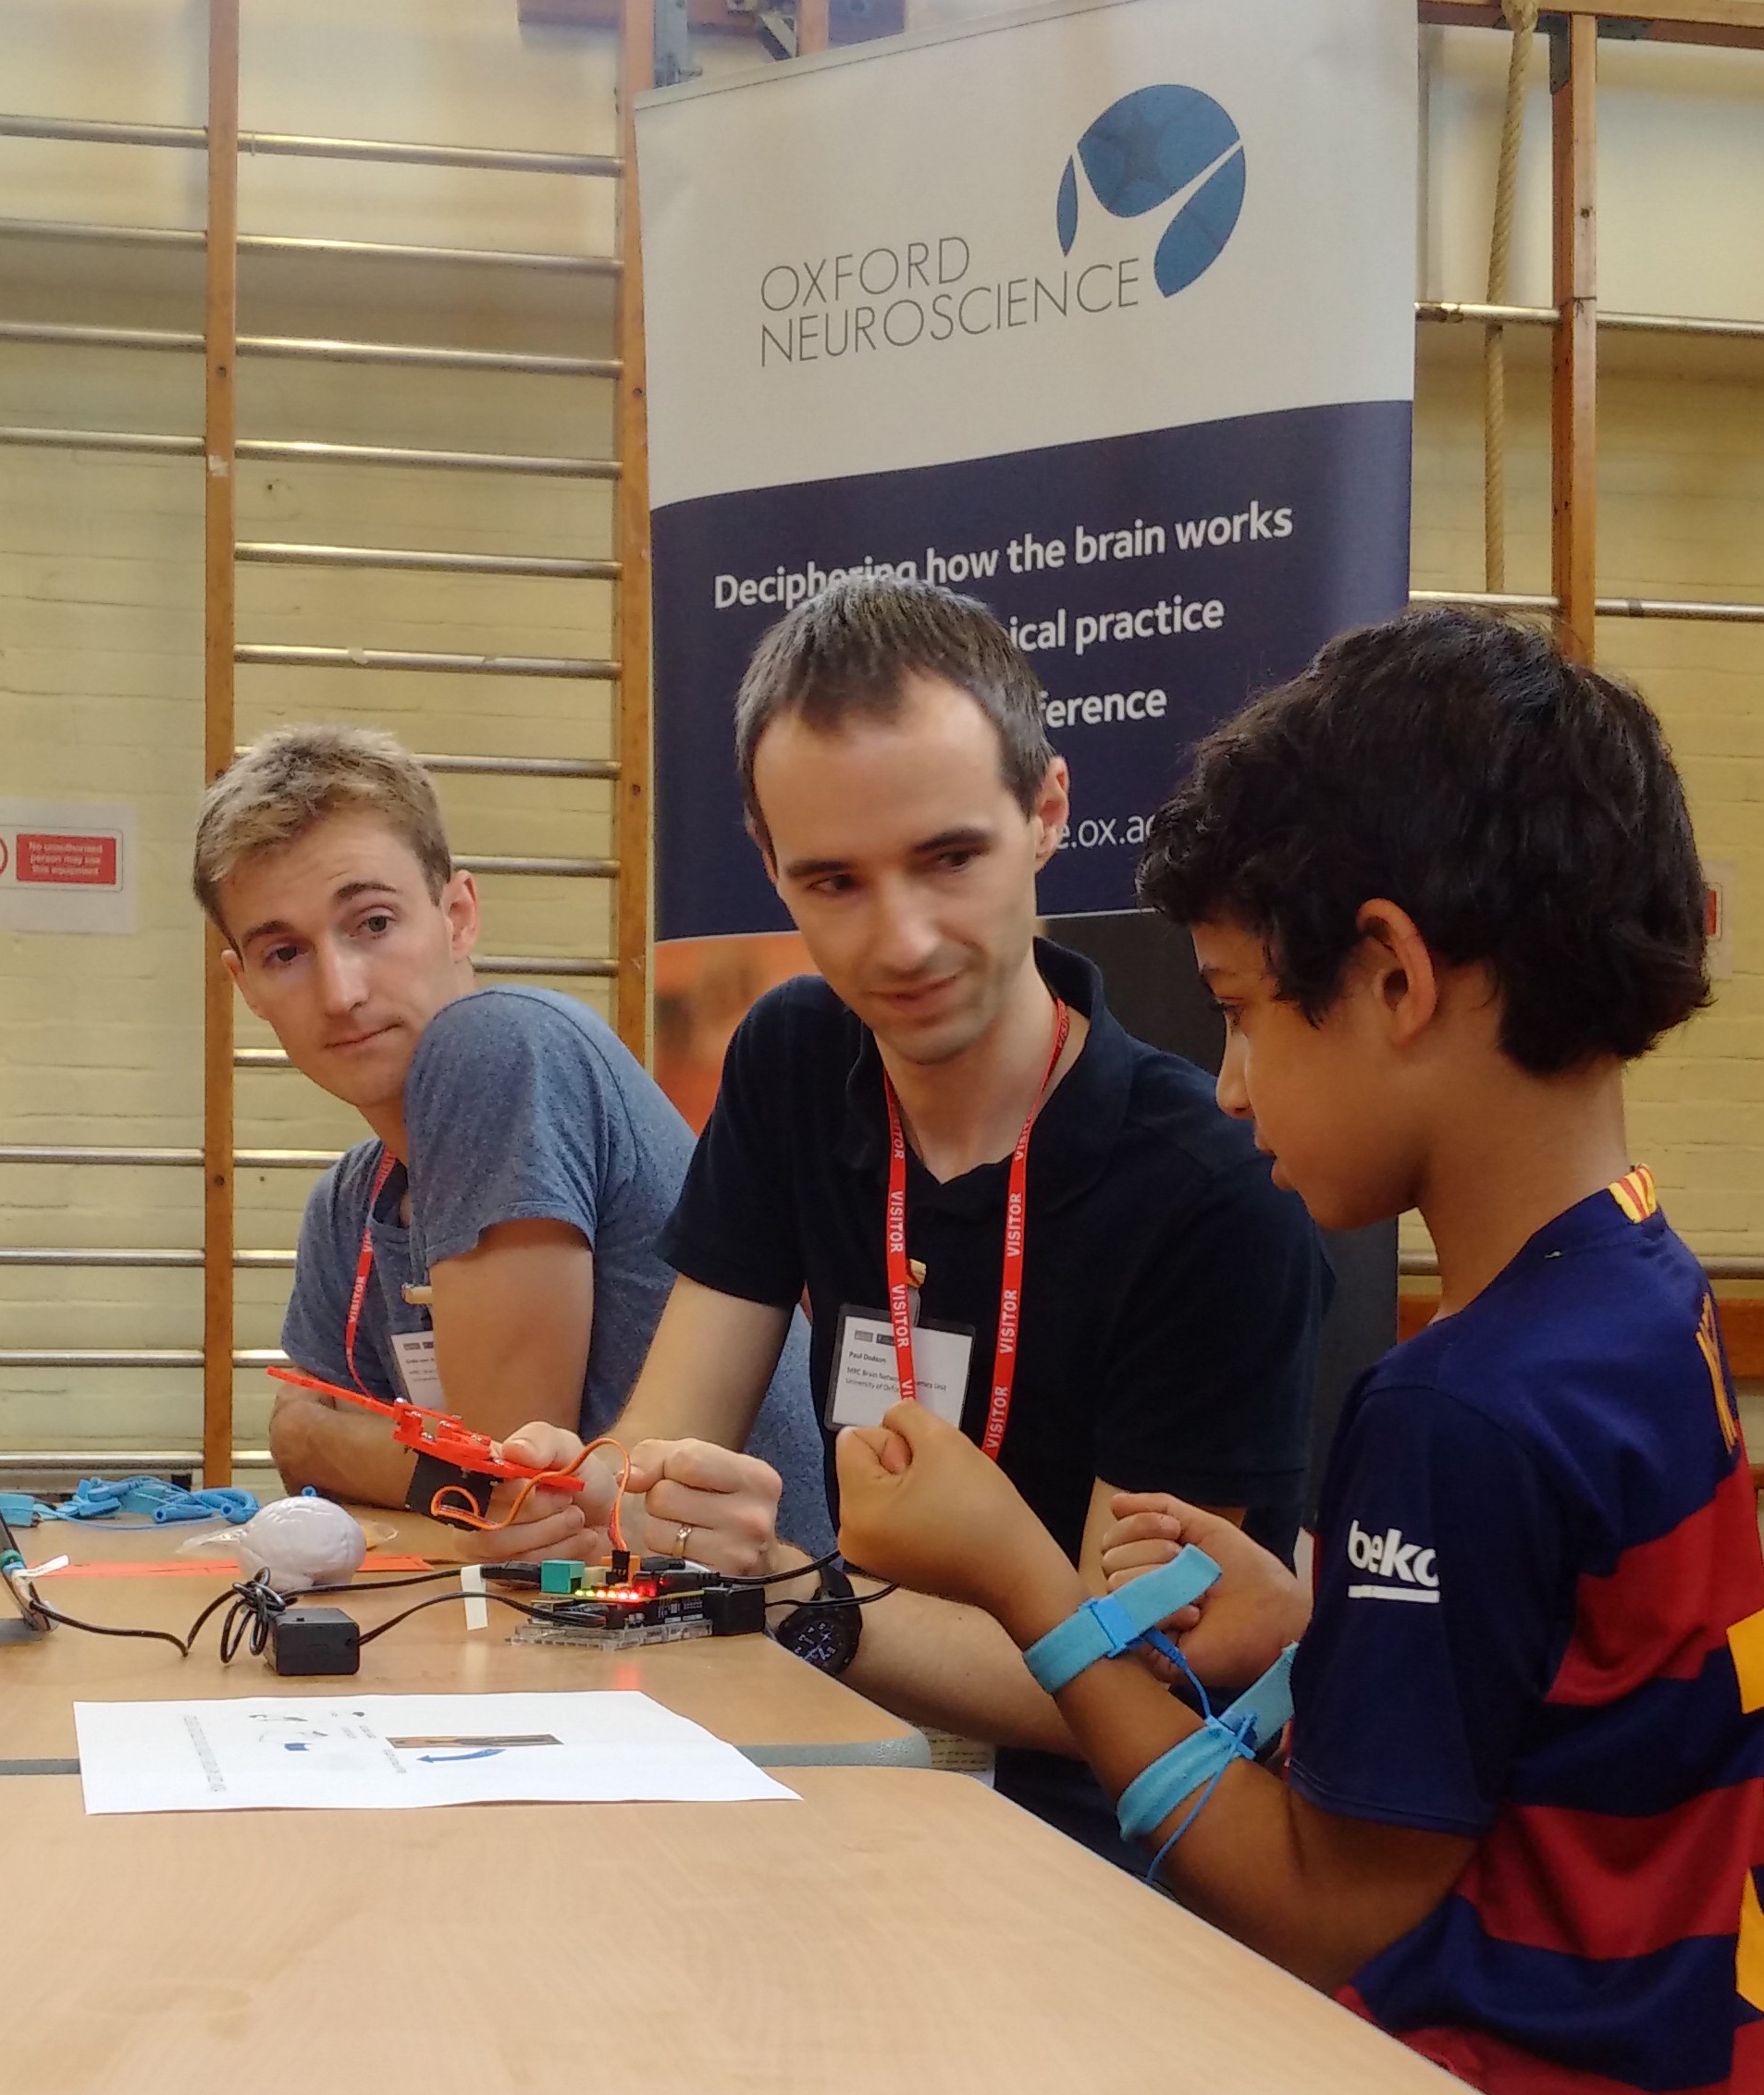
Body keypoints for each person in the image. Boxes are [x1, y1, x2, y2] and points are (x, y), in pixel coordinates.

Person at [833, 608, 1764, 2093]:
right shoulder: (1639, 1283)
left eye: (1243, 1014)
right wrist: (1321, 1630)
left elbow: (1314, 1912)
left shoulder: (1452, 1406)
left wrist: (1022, 1578)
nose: (1228, 1087)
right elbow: (1553, 1693)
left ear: (1391, 976)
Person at [508, 576, 1326, 1855]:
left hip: (1104, 1848)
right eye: (831, 881)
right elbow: (664, 1435)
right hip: (827, 1762)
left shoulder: (1206, 1191)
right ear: (769, 862)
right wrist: (593, 1490)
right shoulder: (789, 1056)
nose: (899, 941)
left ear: (1046, 810)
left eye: (947, 859)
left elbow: (1140, 1687)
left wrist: (792, 1594)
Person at [191, 725, 833, 1559]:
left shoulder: (497, 1045)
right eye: (284, 952)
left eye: (373, 922)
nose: (341, 991)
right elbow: (321, 1479)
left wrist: (339, 1442)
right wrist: (370, 1461)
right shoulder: (348, 1202)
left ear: (458, 916)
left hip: (767, 1649)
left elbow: (507, 1494)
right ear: (244, 984)